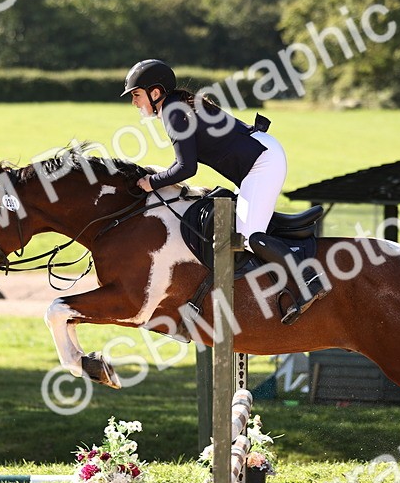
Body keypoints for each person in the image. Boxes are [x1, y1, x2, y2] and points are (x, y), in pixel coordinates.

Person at [122, 59, 324, 324]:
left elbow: (186, 168)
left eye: (136, 95)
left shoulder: (174, 112)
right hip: (258, 160)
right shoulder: (175, 107)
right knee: (242, 226)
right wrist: (158, 177)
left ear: (155, 92)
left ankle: (306, 283)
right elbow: (182, 165)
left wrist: (152, 182)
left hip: (262, 163)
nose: (134, 102)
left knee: (249, 236)